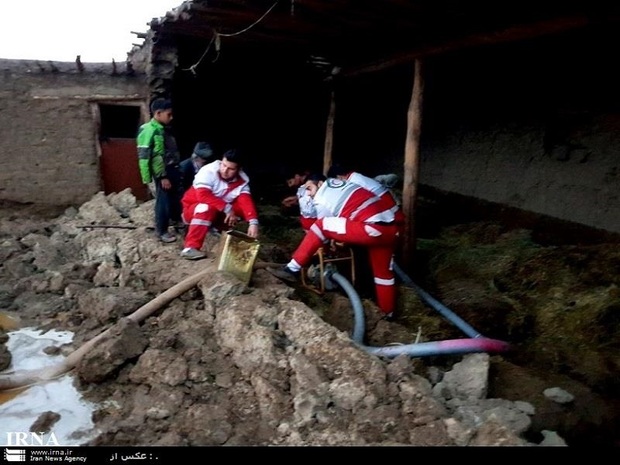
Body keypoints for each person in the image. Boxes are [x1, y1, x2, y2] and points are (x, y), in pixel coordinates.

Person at [269, 176, 400, 318]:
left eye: (309, 188)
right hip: (390, 228)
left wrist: (324, 250)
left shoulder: (321, 198)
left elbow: (321, 232)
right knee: (383, 276)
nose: (308, 193)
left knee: (321, 225)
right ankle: (388, 315)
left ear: (319, 183)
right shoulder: (337, 185)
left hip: (372, 227)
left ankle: (292, 269)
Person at [180, 148, 260, 260]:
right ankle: (190, 248)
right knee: (206, 207)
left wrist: (253, 223)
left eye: (230, 169)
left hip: (217, 211)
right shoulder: (208, 171)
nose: (225, 170)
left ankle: (218, 228)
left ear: (238, 169)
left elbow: (245, 201)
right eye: (223, 165)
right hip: (193, 209)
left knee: (241, 209)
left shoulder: (242, 180)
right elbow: (203, 196)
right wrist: (227, 208)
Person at [137, 97, 183, 243]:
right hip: (162, 173)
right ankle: (161, 231)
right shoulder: (148, 130)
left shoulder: (163, 129)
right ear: (158, 113)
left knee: (175, 197)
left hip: (171, 169)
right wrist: (161, 176)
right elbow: (147, 157)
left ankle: (176, 221)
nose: (171, 117)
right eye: (168, 114)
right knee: (163, 202)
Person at [327, 163, 404, 226]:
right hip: (385, 202)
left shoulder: (353, 181)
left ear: (339, 177)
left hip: (385, 204)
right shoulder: (355, 176)